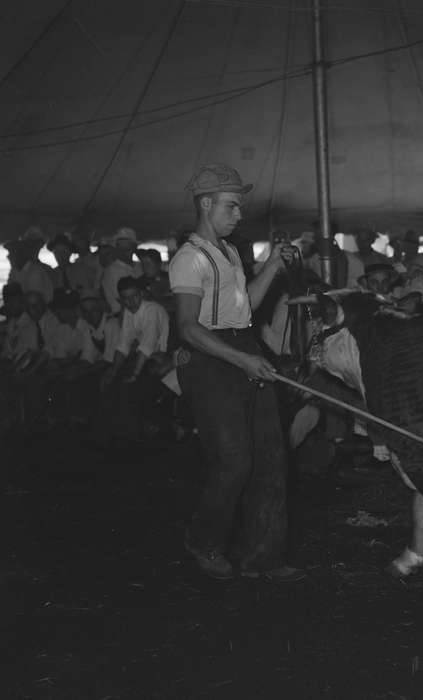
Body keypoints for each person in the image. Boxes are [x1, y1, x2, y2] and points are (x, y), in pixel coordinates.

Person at [169, 162, 304, 583]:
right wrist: (243, 360)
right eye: (231, 207)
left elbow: (246, 306)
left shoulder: (228, 253)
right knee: (234, 461)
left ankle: (261, 557)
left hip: (243, 345)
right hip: (209, 359)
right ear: (206, 204)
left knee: (269, 455)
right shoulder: (189, 259)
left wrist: (271, 268)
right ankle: (203, 540)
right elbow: (188, 328)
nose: (238, 215)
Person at [101, 228, 139, 315]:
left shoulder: (139, 266)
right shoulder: (112, 271)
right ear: (116, 249)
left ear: (134, 248)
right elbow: (123, 300)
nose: (125, 253)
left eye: (128, 249)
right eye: (122, 249)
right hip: (121, 317)